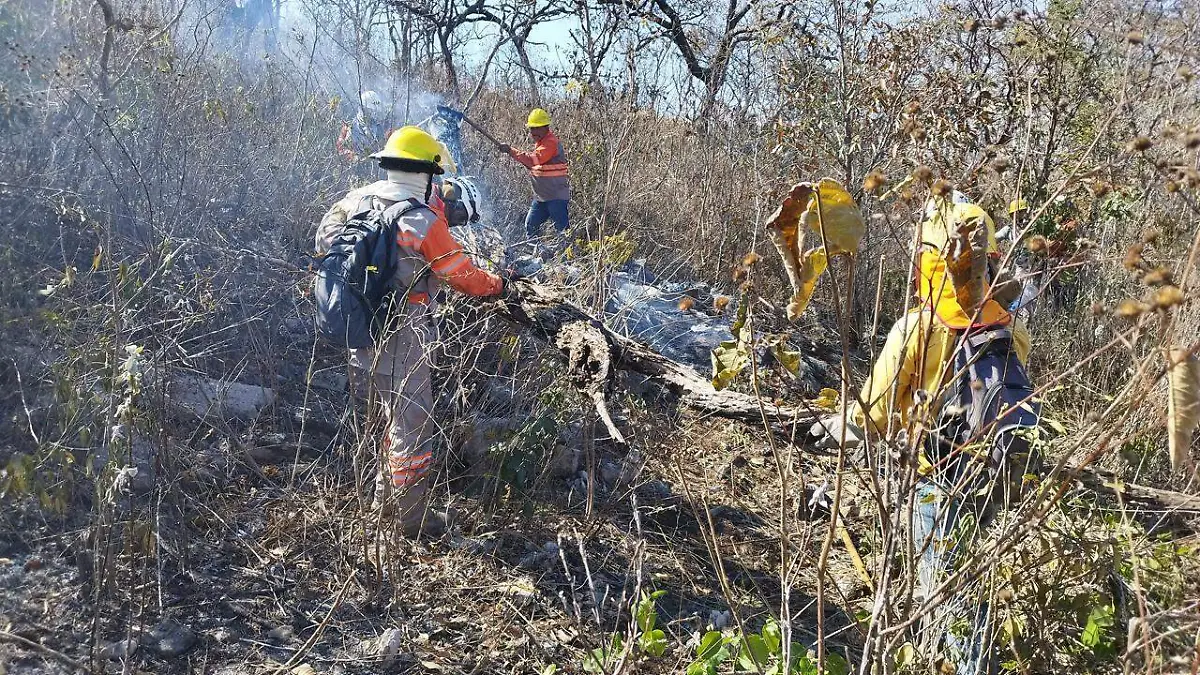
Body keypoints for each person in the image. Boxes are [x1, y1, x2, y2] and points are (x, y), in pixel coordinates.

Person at [811, 199, 1033, 675]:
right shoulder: (1009, 329)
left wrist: (839, 425)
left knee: (944, 590)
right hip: (991, 476)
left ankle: (952, 660)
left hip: (936, 480)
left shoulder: (919, 326)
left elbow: (875, 412)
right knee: (974, 577)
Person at [316, 126, 506, 536]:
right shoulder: (420, 219)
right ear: (428, 174)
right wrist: (499, 285)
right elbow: (462, 276)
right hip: (406, 332)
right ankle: (411, 520)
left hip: (358, 327)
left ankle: (380, 499)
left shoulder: (352, 200)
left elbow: (323, 241)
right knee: (412, 425)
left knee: (382, 416)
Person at [500, 108, 570, 241]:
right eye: (532, 128)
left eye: (537, 128)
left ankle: (567, 259)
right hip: (542, 198)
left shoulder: (550, 143)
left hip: (556, 197)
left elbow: (533, 160)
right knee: (531, 225)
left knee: (562, 232)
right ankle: (537, 256)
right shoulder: (541, 143)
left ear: (546, 127)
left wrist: (510, 150)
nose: (533, 132)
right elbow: (535, 165)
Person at [336, 91, 390, 166]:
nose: (372, 113)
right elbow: (340, 149)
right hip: (353, 169)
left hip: (374, 168)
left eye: (373, 111)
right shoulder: (348, 127)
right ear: (362, 108)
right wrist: (353, 157)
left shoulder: (379, 127)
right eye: (369, 110)